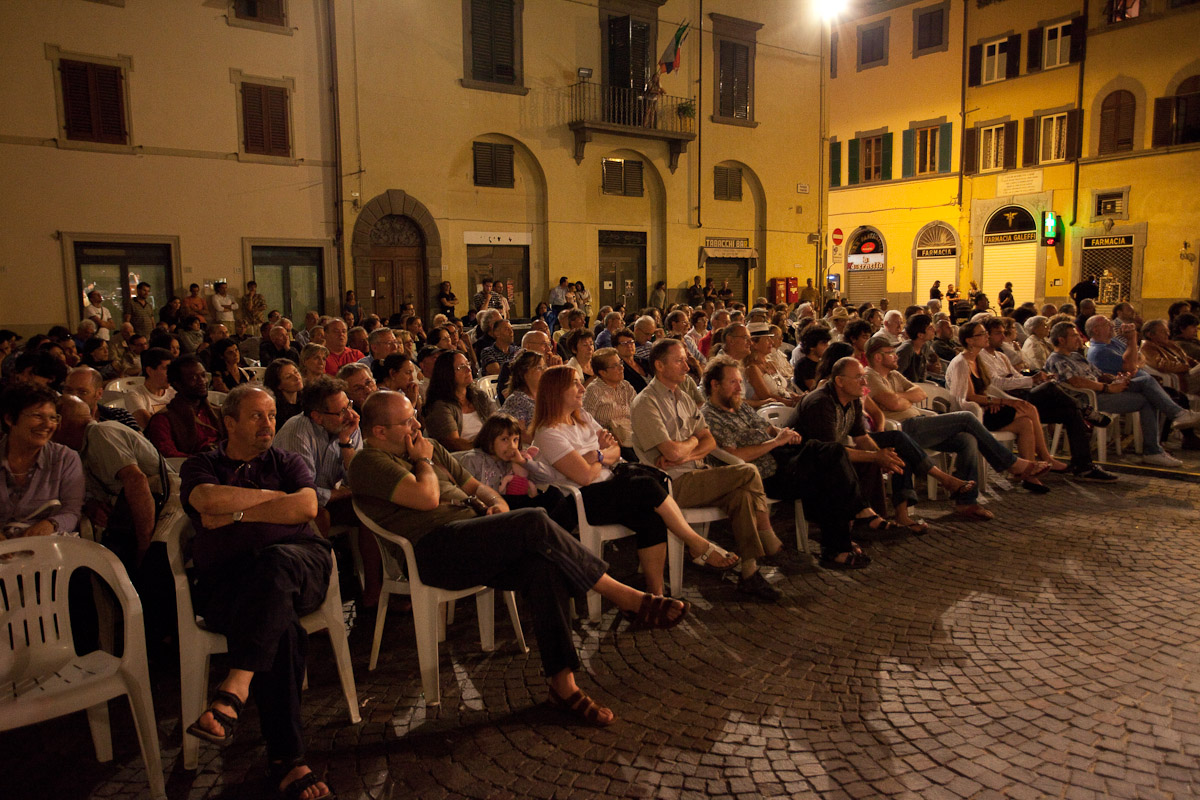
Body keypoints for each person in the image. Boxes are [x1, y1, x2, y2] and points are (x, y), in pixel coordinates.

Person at [351, 391, 690, 728]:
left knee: (542, 568)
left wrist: (496, 503)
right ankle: (622, 595)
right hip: (435, 552)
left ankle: (563, 686)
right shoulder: (369, 463)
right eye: (407, 421)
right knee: (533, 518)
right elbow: (426, 499)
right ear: (379, 431)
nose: (416, 425)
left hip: (476, 534)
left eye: (415, 417)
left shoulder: (429, 448)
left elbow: (475, 487)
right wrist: (423, 460)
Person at [179, 384, 333, 800]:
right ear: (229, 423)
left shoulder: (288, 461)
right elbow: (207, 498)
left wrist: (237, 513)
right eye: (256, 416)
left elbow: (305, 508)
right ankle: (289, 762)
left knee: (276, 565)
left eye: (271, 415)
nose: (268, 424)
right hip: (232, 583)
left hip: (303, 564)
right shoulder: (202, 465)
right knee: (278, 623)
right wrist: (271, 502)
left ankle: (235, 688)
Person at [533, 365, 739, 589]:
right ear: (555, 390)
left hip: (609, 487)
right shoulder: (548, 433)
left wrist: (596, 456)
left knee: (651, 518)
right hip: (581, 500)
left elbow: (617, 450)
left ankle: (656, 594)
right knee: (645, 485)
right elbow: (583, 477)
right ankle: (697, 544)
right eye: (575, 383)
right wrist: (601, 457)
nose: (583, 388)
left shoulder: (582, 417)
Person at [702, 358, 898, 568]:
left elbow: (768, 428)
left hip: (782, 462)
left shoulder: (740, 408)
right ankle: (855, 519)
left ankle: (838, 548)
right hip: (762, 478)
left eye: (740, 382)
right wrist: (775, 442)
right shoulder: (711, 417)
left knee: (832, 457)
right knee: (831, 458)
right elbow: (735, 456)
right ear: (715, 385)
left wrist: (783, 433)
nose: (740, 388)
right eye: (733, 382)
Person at [631, 339, 781, 601]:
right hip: (669, 485)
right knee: (746, 472)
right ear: (659, 365)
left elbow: (708, 441)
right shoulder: (646, 402)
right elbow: (674, 452)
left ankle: (750, 572)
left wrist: (686, 450)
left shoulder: (685, 398)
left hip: (696, 473)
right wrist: (690, 446)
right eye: (679, 360)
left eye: (686, 359)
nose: (687, 366)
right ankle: (767, 534)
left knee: (742, 496)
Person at [1045, 321, 1200, 467]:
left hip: (1101, 391)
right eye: (1074, 335)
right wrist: (1107, 387)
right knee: (1146, 390)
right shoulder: (1057, 359)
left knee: (1147, 388)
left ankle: (1158, 444)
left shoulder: (1076, 356)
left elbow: (1098, 373)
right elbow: (1076, 382)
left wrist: (1115, 379)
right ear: (1061, 339)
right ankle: (1166, 430)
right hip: (1089, 399)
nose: (1079, 338)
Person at [945, 322, 1063, 489]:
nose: (987, 336)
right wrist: (999, 401)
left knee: (1025, 424)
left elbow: (984, 388)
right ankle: (1044, 457)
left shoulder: (977, 359)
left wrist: (990, 400)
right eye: (982, 334)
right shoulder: (961, 363)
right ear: (970, 340)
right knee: (1027, 408)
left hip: (984, 408)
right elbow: (966, 397)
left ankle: (1028, 475)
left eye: (986, 333)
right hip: (971, 416)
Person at [0, 383, 83, 539]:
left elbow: (72, 512)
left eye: (53, 418)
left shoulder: (65, 458)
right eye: (37, 416)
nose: (48, 425)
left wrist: (51, 524)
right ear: (10, 419)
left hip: (45, 546)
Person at [145, 355, 224, 458]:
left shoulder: (217, 411)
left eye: (203, 375)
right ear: (177, 384)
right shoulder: (163, 420)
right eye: (193, 378)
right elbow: (169, 456)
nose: (202, 381)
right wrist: (206, 461)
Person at [424, 350, 496, 451]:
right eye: (461, 367)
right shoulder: (440, 406)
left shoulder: (479, 396)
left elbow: (497, 425)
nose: (468, 369)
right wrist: (489, 447)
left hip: (491, 450)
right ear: (447, 373)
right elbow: (454, 443)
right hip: (464, 456)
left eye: (468, 364)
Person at [583, 347, 637, 455]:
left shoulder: (626, 386)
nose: (621, 368)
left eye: (620, 363)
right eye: (615, 366)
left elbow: (638, 412)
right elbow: (586, 423)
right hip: (610, 444)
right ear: (603, 372)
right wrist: (607, 433)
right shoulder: (594, 391)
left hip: (633, 437)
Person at [62, 366, 140, 431]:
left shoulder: (120, 417)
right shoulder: (57, 422)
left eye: (83, 392)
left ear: (99, 394)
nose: (73, 396)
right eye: (68, 390)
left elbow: (140, 446)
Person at [1142, 318, 1200, 395]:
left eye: (1168, 331)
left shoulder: (1169, 345)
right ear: (1150, 334)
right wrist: (1185, 367)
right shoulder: (1147, 348)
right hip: (1183, 378)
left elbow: (1186, 358)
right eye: (1163, 331)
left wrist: (1196, 365)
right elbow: (1161, 364)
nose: (1168, 334)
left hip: (1188, 373)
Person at [125, 347, 176, 429]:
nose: (171, 373)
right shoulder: (135, 395)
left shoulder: (174, 393)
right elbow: (150, 426)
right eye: (165, 369)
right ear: (150, 371)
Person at [500, 350, 544, 440]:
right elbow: (520, 434)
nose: (545, 371)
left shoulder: (546, 396)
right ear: (525, 373)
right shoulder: (517, 400)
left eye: (544, 367)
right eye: (539, 368)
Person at [791, 324, 831, 391]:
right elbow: (815, 390)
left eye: (827, 343)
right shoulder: (803, 365)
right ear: (811, 346)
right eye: (823, 343)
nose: (827, 346)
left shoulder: (823, 363)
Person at [614, 328, 650, 393]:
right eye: (624, 343)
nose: (629, 346)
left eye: (631, 342)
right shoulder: (619, 369)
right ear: (616, 347)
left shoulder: (644, 361)